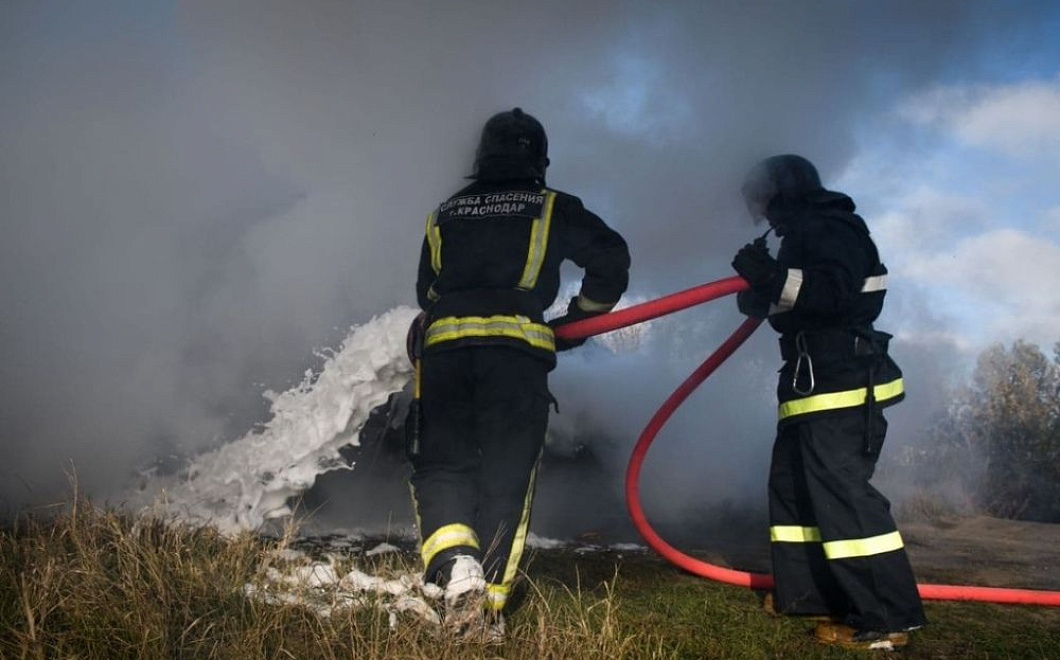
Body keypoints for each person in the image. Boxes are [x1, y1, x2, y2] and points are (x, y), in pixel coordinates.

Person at [408, 108, 630, 638]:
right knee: (506, 471)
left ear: (480, 156)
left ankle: (455, 569)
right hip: (515, 352)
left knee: (441, 464)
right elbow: (611, 258)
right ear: (540, 160)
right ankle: (487, 605)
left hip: (444, 351)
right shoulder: (553, 206)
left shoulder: (446, 212)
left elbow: (427, 292)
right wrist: (583, 316)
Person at [731, 155, 926, 651]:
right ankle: (809, 595)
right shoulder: (799, 234)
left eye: (760, 198)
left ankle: (887, 617)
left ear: (780, 190)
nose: (758, 211)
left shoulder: (831, 226)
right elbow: (782, 304)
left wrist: (771, 277)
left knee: (842, 494)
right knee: (793, 489)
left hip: (841, 380)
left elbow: (833, 295)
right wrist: (759, 284)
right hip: (807, 381)